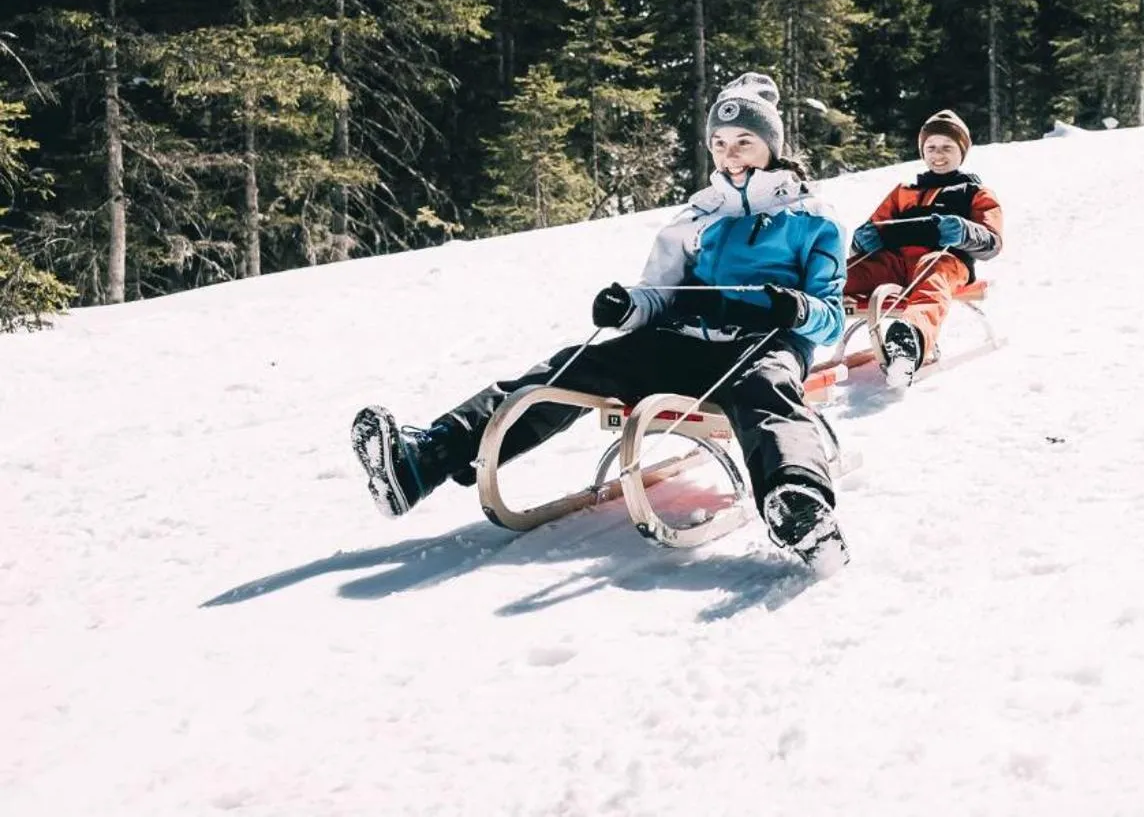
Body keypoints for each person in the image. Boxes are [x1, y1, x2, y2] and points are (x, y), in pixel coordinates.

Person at [349, 73, 850, 569]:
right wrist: (627, 307)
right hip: (683, 343)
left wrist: (794, 308)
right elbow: (658, 293)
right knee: (574, 367)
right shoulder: (698, 217)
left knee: (768, 392)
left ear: (771, 144)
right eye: (719, 143)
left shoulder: (811, 215)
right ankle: (427, 459)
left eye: (744, 141)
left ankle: (800, 503)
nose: (730, 154)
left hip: (762, 348)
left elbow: (830, 318)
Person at [846, 109, 1004, 387]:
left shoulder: (975, 193)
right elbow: (873, 227)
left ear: (961, 151)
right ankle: (784, 312)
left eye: (947, 147)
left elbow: (992, 241)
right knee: (843, 274)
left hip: (945, 263)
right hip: (895, 262)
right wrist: (863, 239)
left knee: (931, 276)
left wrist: (965, 231)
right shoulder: (904, 191)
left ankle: (909, 341)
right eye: (931, 147)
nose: (938, 154)